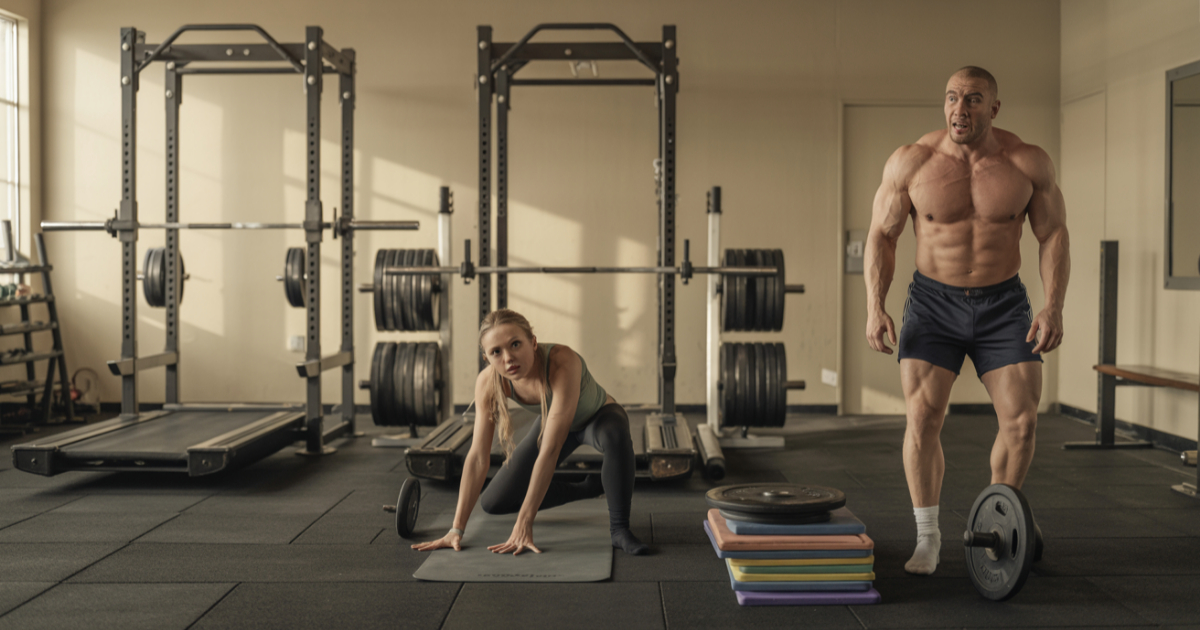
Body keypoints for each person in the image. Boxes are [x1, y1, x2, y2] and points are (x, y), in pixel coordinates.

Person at [863, 66, 1069, 575]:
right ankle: (927, 538)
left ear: (994, 108)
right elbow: (882, 236)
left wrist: (1053, 304)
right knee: (923, 417)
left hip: (1004, 305)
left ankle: (1001, 518)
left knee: (1021, 423)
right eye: (953, 98)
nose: (960, 109)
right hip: (933, 304)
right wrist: (875, 304)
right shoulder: (912, 162)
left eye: (974, 99)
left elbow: (1053, 235)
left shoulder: (1027, 162)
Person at [411, 308, 649, 556]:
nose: (508, 358)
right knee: (494, 501)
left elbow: (551, 449)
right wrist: (456, 529)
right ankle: (591, 487)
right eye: (496, 352)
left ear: (533, 343)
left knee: (615, 433)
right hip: (552, 422)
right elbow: (478, 457)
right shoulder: (488, 383)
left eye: (515, 344)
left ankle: (620, 530)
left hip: (597, 418)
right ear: (487, 358)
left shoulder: (561, 360)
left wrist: (525, 522)